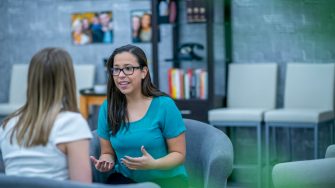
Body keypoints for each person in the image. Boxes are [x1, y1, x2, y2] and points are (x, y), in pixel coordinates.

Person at [90, 44, 188, 188]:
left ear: (143, 72)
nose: (121, 75)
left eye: (128, 68)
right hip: (126, 181)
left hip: (167, 180)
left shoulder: (165, 105)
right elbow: (107, 152)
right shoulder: (108, 107)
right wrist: (106, 161)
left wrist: (154, 164)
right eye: (116, 69)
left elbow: (179, 154)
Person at [0, 48, 92, 183]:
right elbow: (82, 186)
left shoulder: (7, 125)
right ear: (68, 80)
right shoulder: (72, 123)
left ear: (31, 79)